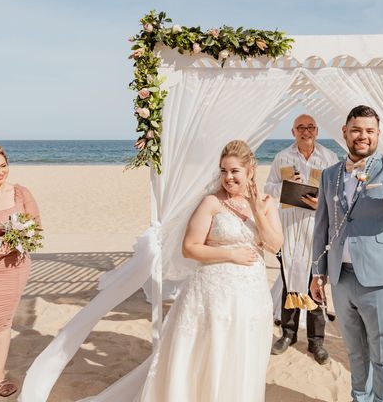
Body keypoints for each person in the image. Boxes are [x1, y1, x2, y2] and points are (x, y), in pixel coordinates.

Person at [85, 140, 283, 402]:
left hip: (252, 294)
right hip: (215, 293)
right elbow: (190, 248)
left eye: (235, 171)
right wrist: (230, 254)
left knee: (244, 353)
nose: (228, 177)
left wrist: (258, 212)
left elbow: (275, 244)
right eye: (223, 171)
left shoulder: (266, 204)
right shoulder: (212, 203)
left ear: (250, 170)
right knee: (212, 353)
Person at [310, 105, 383, 402]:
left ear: (378, 135)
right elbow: (322, 225)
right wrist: (317, 273)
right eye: (357, 130)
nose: (363, 136)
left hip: (382, 278)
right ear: (345, 132)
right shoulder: (329, 174)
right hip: (340, 278)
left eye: (370, 131)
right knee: (355, 352)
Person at [264, 114, 338, 364]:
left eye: (311, 127)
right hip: (290, 229)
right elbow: (269, 188)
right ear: (293, 131)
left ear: (317, 131)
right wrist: (284, 186)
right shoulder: (282, 157)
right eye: (301, 128)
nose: (306, 131)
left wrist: (323, 202)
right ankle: (288, 334)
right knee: (289, 283)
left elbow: (338, 192)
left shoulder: (329, 158)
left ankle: (316, 341)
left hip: (316, 229)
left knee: (316, 286)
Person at [0, 145, 40, 398]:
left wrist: (15, 242)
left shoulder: (20, 193)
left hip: (13, 268)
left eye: (3, 165)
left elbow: (35, 227)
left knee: (3, 323)